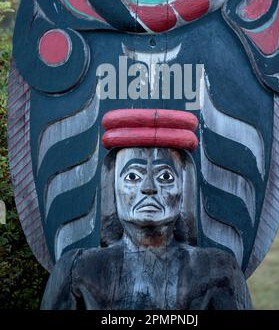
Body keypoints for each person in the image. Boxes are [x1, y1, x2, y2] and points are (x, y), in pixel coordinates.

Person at [41, 110, 252, 310]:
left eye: (165, 177)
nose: (149, 187)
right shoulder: (77, 268)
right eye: (133, 176)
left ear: (184, 187)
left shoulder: (218, 269)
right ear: (112, 187)